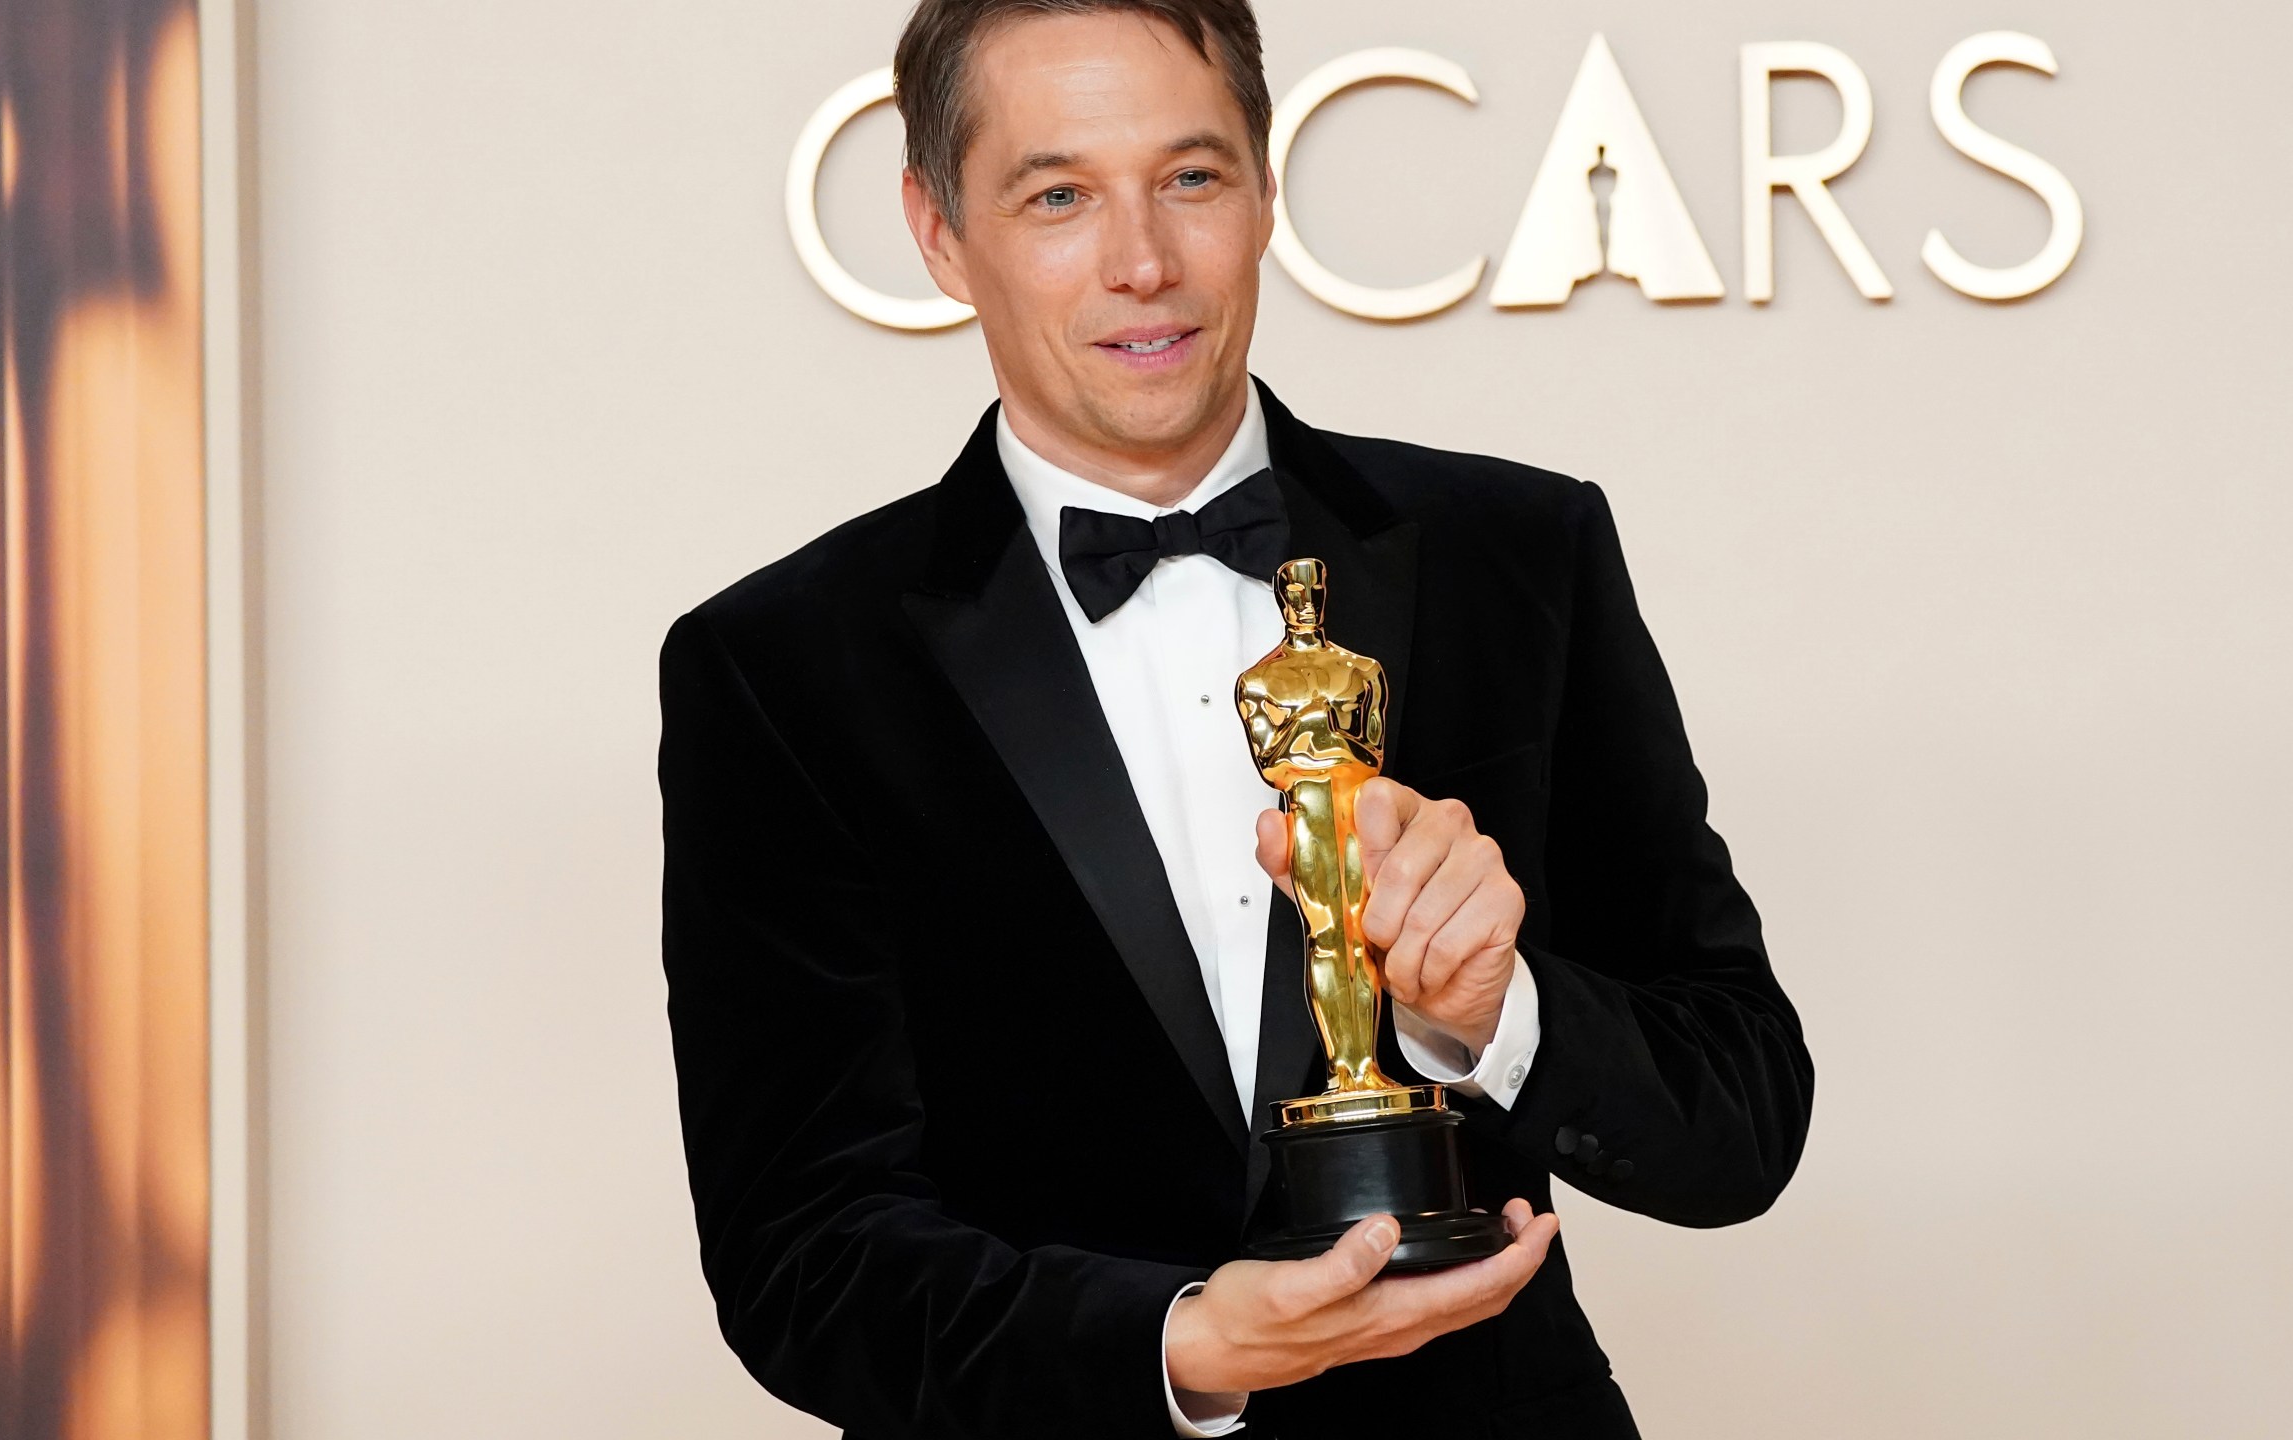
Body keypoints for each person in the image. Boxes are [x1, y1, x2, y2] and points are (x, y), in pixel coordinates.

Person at [655, 2, 1812, 1435]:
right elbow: (801, 1260)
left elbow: (1741, 1121)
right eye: (1059, 194)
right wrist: (1178, 1347)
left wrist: (1495, 1010)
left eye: (1192, 179)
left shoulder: (1521, 555)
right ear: (942, 232)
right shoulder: (777, 667)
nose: (1143, 261)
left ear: (1268, 191)